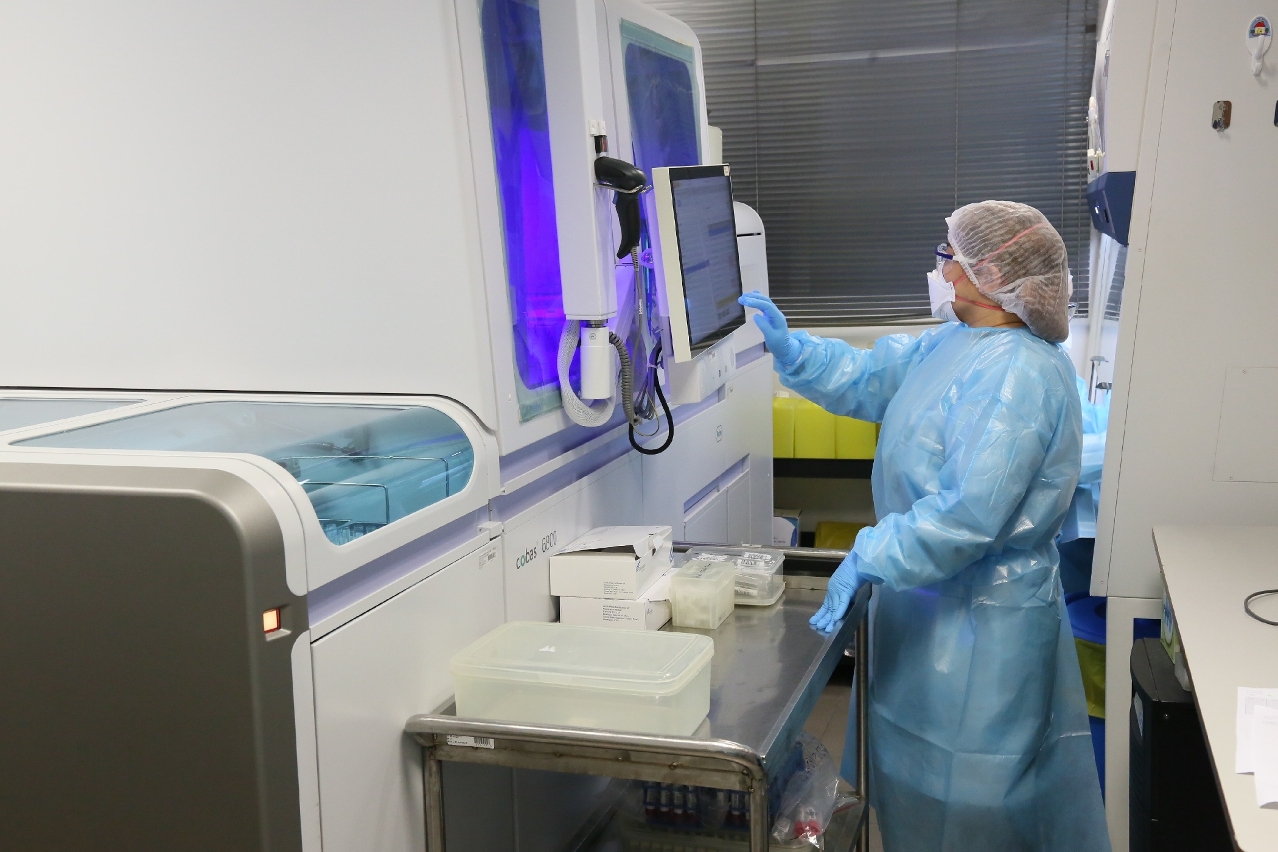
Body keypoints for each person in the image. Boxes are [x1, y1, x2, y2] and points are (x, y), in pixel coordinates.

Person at [740, 201, 1110, 852]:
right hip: (926, 611)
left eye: (951, 257)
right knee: (912, 789)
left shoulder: (1018, 374)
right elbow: (870, 377)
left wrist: (870, 553)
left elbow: (968, 515)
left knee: (975, 807)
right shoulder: (956, 341)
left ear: (991, 275)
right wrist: (795, 350)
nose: (941, 269)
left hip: (986, 628)